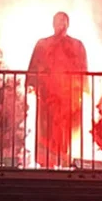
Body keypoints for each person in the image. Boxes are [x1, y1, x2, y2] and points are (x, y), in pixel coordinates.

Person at [26, 12, 88, 168]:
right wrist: (31, 84)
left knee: (65, 130)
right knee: (45, 129)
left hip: (68, 96)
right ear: (53, 24)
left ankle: (65, 160)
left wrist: (83, 88)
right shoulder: (43, 44)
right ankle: (46, 162)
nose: (62, 24)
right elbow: (34, 64)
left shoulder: (77, 45)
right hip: (48, 94)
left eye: (65, 21)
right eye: (59, 21)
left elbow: (83, 67)